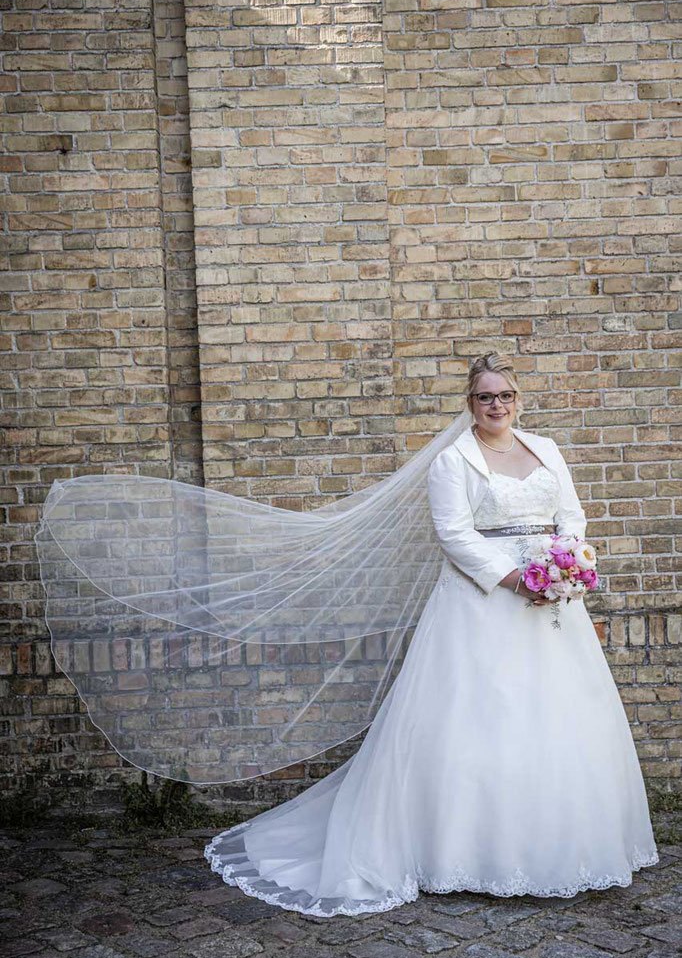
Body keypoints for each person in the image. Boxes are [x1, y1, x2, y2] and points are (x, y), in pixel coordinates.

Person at [204, 351, 659, 917]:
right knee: (483, 715)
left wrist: (567, 566)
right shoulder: (454, 460)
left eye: (506, 395)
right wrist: (517, 579)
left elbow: (572, 515)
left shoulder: (546, 449)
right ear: (469, 404)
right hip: (485, 603)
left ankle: (559, 844)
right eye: (486, 396)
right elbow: (455, 535)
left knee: (558, 714)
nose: (498, 405)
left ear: (519, 399)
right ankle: (460, 852)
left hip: (554, 606)